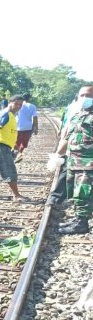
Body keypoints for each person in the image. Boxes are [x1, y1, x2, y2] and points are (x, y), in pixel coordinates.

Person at [53, 85, 93, 234]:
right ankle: (78, 219)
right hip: (74, 161)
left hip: (88, 163)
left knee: (83, 193)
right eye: (82, 95)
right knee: (74, 192)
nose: (85, 99)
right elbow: (67, 138)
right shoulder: (78, 115)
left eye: (88, 95)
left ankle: (82, 224)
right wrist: (58, 154)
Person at [14, 93, 38, 162]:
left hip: (18, 126)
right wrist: (35, 128)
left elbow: (14, 114)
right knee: (24, 143)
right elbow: (35, 118)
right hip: (28, 127)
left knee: (17, 142)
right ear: (29, 98)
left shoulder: (19, 105)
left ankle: (16, 154)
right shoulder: (32, 106)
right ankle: (20, 153)